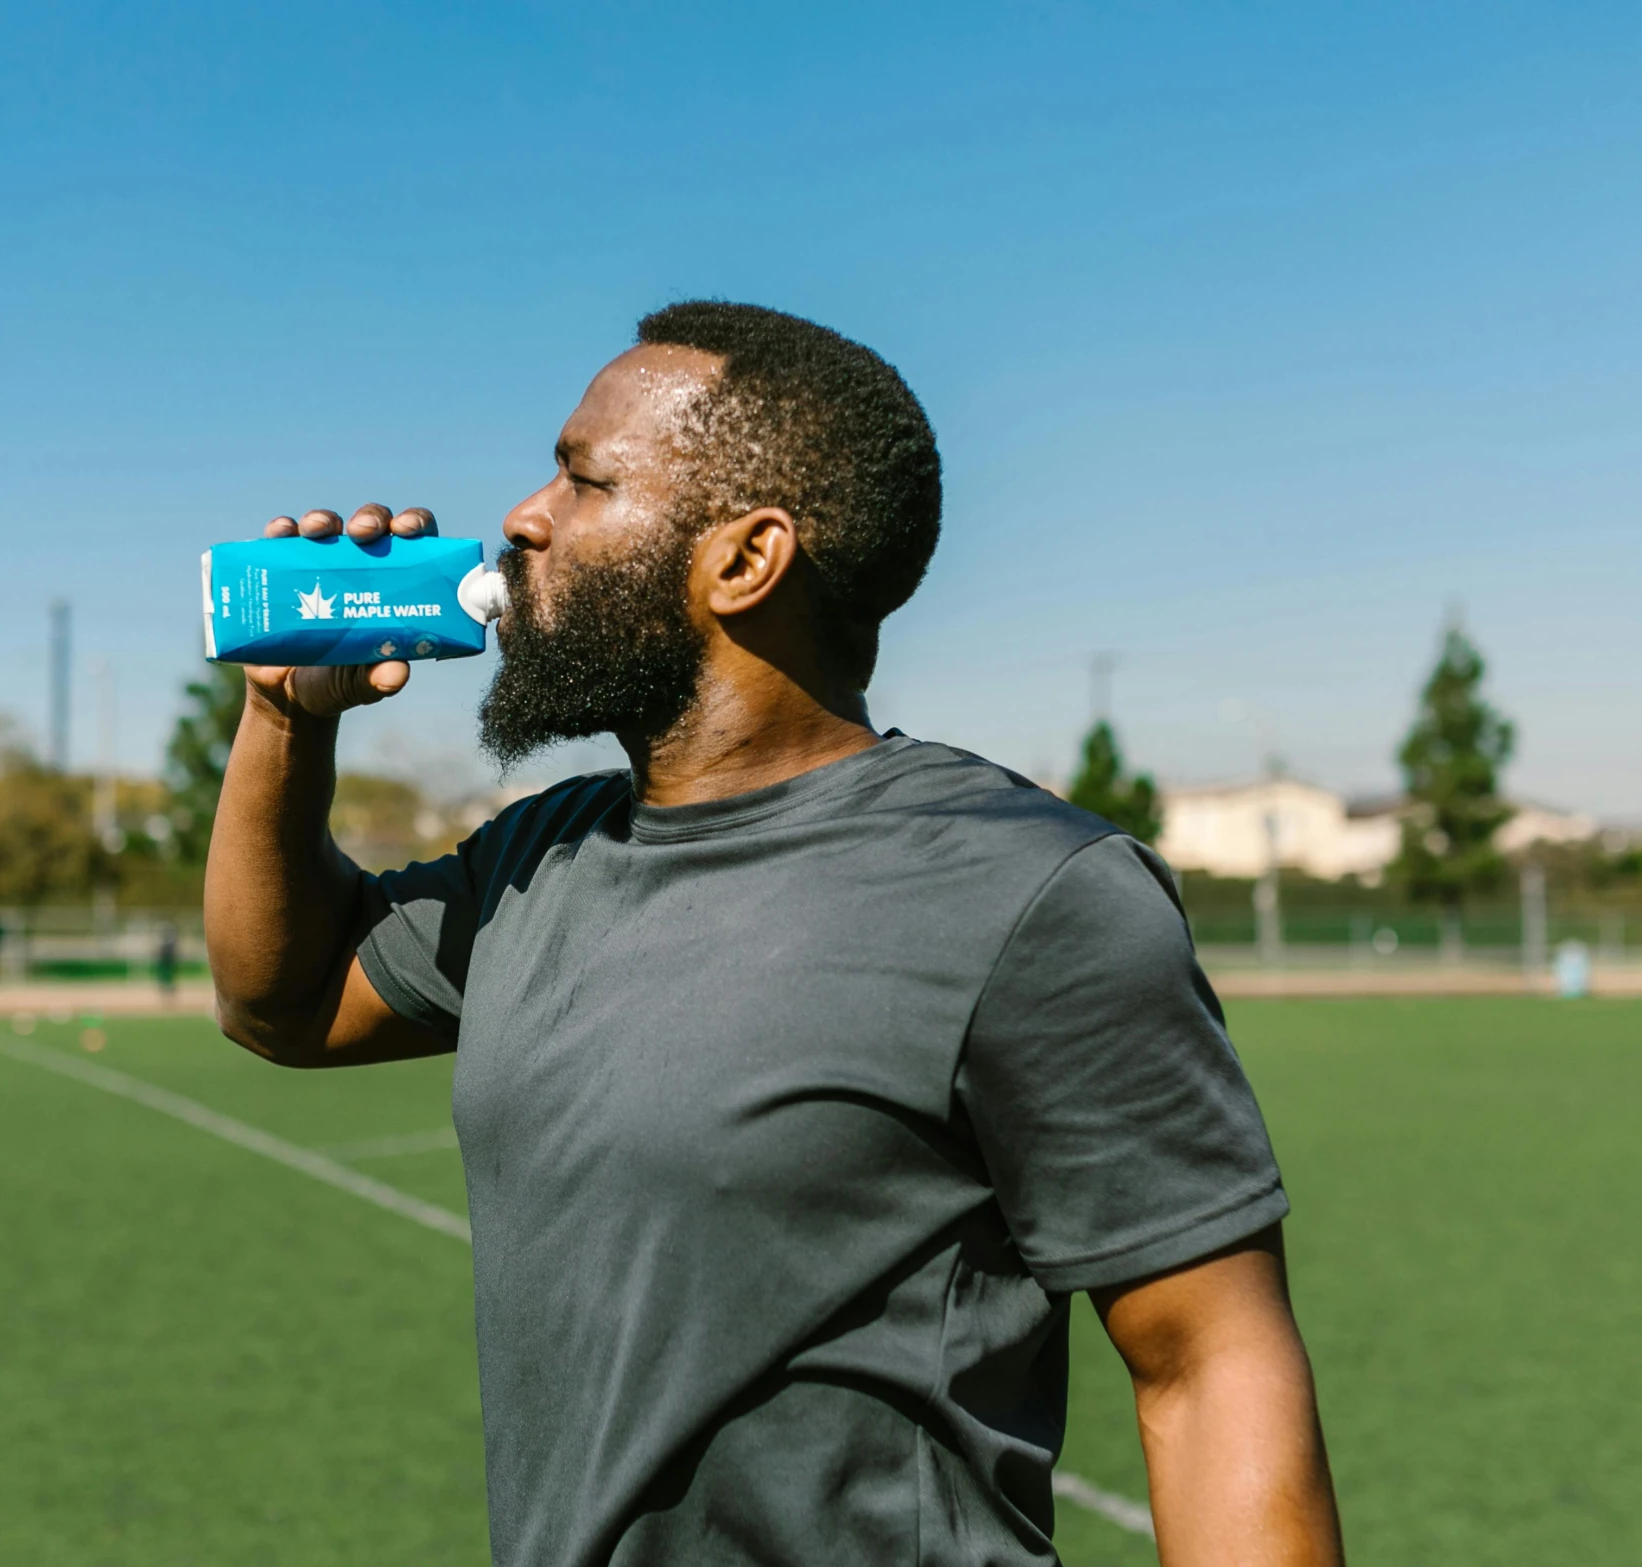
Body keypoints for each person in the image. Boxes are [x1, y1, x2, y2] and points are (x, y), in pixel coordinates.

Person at [204, 301, 1342, 1567]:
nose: (524, 514)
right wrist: (286, 720)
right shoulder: (542, 852)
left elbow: (1209, 1366)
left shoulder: (1028, 888)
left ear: (744, 562)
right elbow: (284, 1003)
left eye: (583, 480)